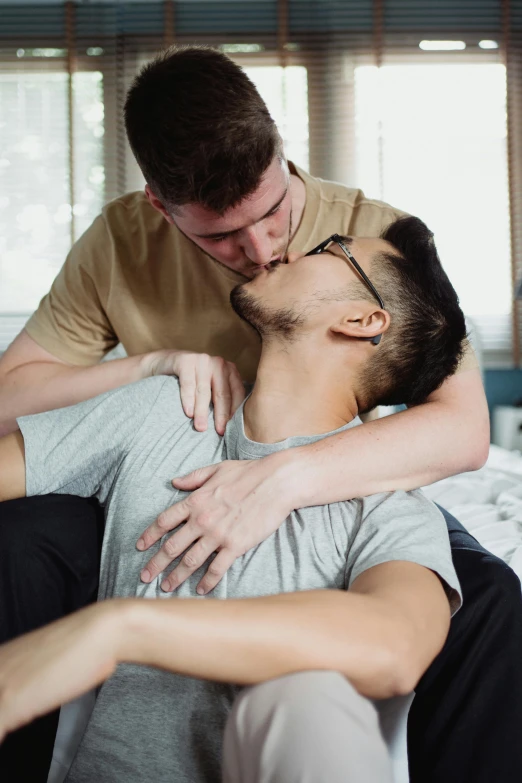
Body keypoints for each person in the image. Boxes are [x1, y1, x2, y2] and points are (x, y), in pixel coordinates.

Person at [0, 46, 520, 783]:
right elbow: (9, 394)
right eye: (220, 237)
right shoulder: (121, 247)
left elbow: (463, 431)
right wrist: (148, 365)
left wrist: (280, 478)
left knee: (488, 595)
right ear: (159, 202)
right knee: (18, 542)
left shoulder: (375, 239)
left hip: (325, 473)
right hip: (158, 466)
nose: (262, 251)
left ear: (281, 151)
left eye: (275, 214)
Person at [0, 217, 466, 783]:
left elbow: (396, 644)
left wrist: (121, 627)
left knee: (309, 699)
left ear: (361, 320)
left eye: (332, 249)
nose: (289, 250)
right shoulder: (163, 411)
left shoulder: (388, 508)